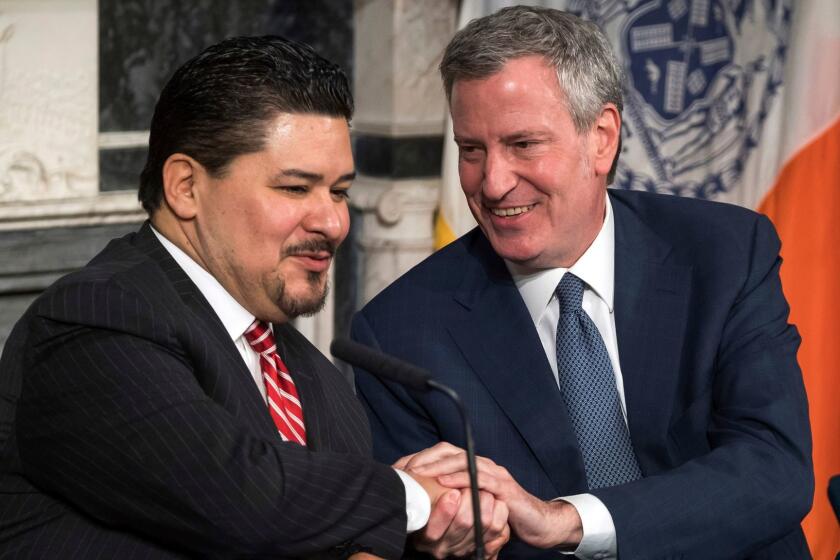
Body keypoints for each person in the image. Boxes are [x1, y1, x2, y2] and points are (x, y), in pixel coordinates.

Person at [0, 36, 510, 559]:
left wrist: (435, 522)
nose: (333, 222)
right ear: (185, 187)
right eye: (295, 188)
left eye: (339, 192)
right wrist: (409, 498)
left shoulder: (316, 380)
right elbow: (241, 496)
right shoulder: (98, 317)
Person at [351, 6, 813, 559]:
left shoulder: (724, 254)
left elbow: (774, 469)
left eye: (523, 144)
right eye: (472, 150)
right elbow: (427, 538)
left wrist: (564, 520)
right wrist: (441, 529)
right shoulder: (398, 332)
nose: (492, 183)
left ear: (602, 138)